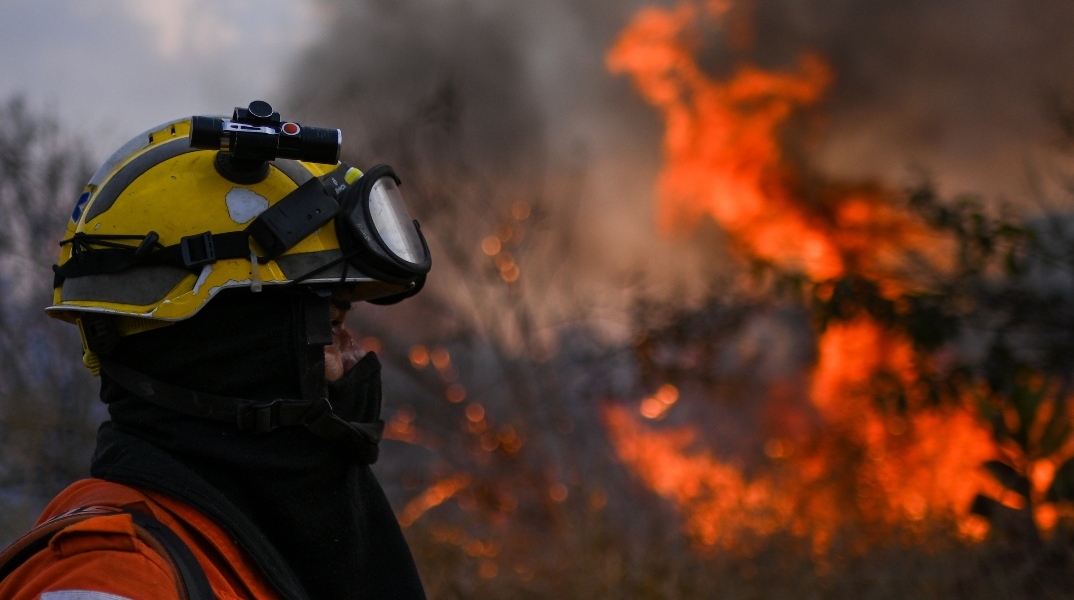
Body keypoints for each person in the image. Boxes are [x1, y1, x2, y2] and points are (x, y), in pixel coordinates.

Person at [0, 103, 431, 599]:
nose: (354, 356)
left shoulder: (246, 548)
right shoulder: (116, 579)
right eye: (331, 325)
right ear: (231, 350)